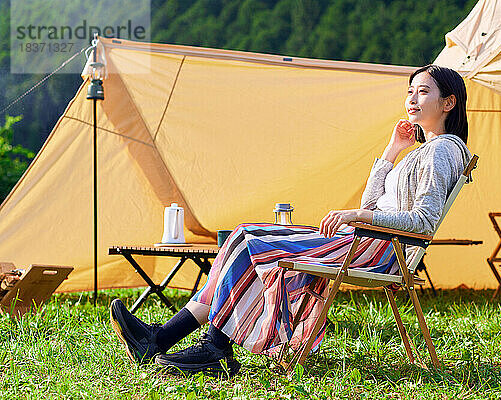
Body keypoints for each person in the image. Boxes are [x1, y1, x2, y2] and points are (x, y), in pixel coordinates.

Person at [109, 64, 472, 376]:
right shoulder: (425, 150)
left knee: (249, 239)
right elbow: (374, 203)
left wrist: (357, 215)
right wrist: (392, 150)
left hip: (378, 251)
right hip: (366, 241)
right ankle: (165, 340)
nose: (411, 98)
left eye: (423, 91)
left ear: (448, 102)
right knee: (243, 236)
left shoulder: (442, 150)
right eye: (409, 91)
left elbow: (422, 222)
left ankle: (198, 345)